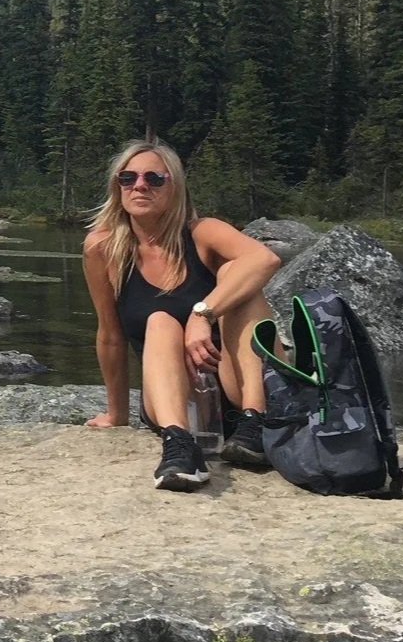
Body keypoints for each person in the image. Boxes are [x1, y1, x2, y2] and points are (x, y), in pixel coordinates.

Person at [81, 138, 282, 491]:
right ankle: (180, 447)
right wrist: (117, 414)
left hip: (233, 383)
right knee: (159, 320)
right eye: (128, 178)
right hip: (177, 400)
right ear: (118, 187)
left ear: (175, 186)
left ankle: (257, 423)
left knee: (240, 285)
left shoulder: (203, 232)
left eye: (154, 179)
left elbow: (264, 259)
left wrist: (202, 314)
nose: (140, 186)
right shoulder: (103, 248)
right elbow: (110, 335)